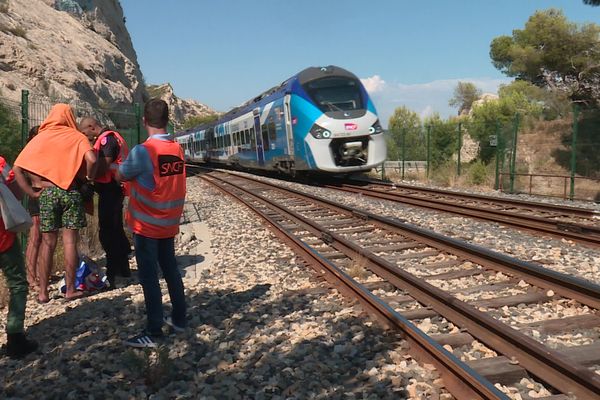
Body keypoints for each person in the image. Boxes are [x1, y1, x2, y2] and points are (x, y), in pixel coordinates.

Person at [117, 99, 187, 347]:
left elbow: (120, 175)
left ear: (143, 121)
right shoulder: (176, 149)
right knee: (171, 271)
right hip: (168, 223)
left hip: (147, 226)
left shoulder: (143, 151)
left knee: (149, 278)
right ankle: (179, 319)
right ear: (167, 120)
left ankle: (154, 331)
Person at [13, 104, 97, 303]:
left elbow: (17, 168)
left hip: (48, 193)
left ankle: (43, 293)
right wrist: (88, 177)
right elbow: (92, 159)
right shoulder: (77, 137)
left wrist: (31, 193)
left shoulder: (41, 137)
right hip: (70, 191)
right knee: (69, 242)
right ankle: (69, 289)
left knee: (47, 243)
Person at [79, 117, 131, 288]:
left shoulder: (107, 140)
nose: (85, 136)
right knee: (116, 229)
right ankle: (123, 268)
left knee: (108, 232)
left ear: (91, 127)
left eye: (85, 133)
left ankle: (113, 270)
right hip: (114, 188)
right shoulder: (113, 136)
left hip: (111, 189)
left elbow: (104, 165)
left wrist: (88, 178)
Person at [0, 154, 38, 358]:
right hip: (3, 238)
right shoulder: (0, 164)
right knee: (17, 285)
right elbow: (16, 193)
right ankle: (15, 337)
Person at [23, 126, 45, 290]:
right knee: (35, 235)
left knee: (46, 236)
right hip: (37, 194)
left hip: (45, 193)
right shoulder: (29, 152)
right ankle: (31, 277)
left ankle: (40, 273)